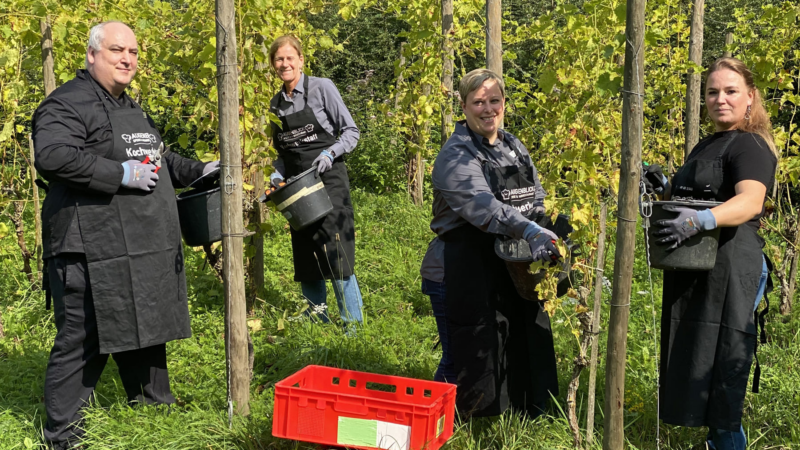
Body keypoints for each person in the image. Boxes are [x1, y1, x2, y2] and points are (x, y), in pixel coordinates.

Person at [33, 21, 218, 449]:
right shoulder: (66, 103)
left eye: (133, 52)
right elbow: (53, 155)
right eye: (118, 50)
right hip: (86, 247)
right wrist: (118, 174)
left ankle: (156, 411)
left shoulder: (129, 104)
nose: (127, 59)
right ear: (92, 54)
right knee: (82, 339)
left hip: (137, 242)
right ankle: (63, 437)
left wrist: (203, 170)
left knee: (145, 325)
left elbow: (158, 158)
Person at [646, 57, 776, 450]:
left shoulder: (751, 145)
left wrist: (698, 223)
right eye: (713, 92)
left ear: (750, 98)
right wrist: (664, 188)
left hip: (731, 267)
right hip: (701, 267)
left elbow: (750, 202)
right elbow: (696, 198)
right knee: (703, 365)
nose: (721, 99)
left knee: (722, 372)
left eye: (731, 91)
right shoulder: (708, 143)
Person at [420, 68, 560, 418]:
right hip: (457, 270)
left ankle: (506, 420)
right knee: (461, 357)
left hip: (506, 267)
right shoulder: (455, 156)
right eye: (478, 102)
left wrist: (542, 221)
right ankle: (432, 426)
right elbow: (484, 208)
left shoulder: (512, 145)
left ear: (504, 103)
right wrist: (529, 231)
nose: (487, 109)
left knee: (508, 345)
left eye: (493, 100)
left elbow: (534, 192)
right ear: (464, 107)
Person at [267, 35, 364, 328]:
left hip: (328, 181)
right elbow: (280, 153)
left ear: (301, 60)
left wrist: (331, 152)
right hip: (298, 188)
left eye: (289, 58)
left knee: (336, 252)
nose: (285, 64)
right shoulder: (275, 105)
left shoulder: (322, 88)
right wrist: (276, 173)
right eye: (279, 59)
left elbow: (351, 131)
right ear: (274, 65)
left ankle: (352, 325)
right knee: (306, 254)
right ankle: (317, 318)